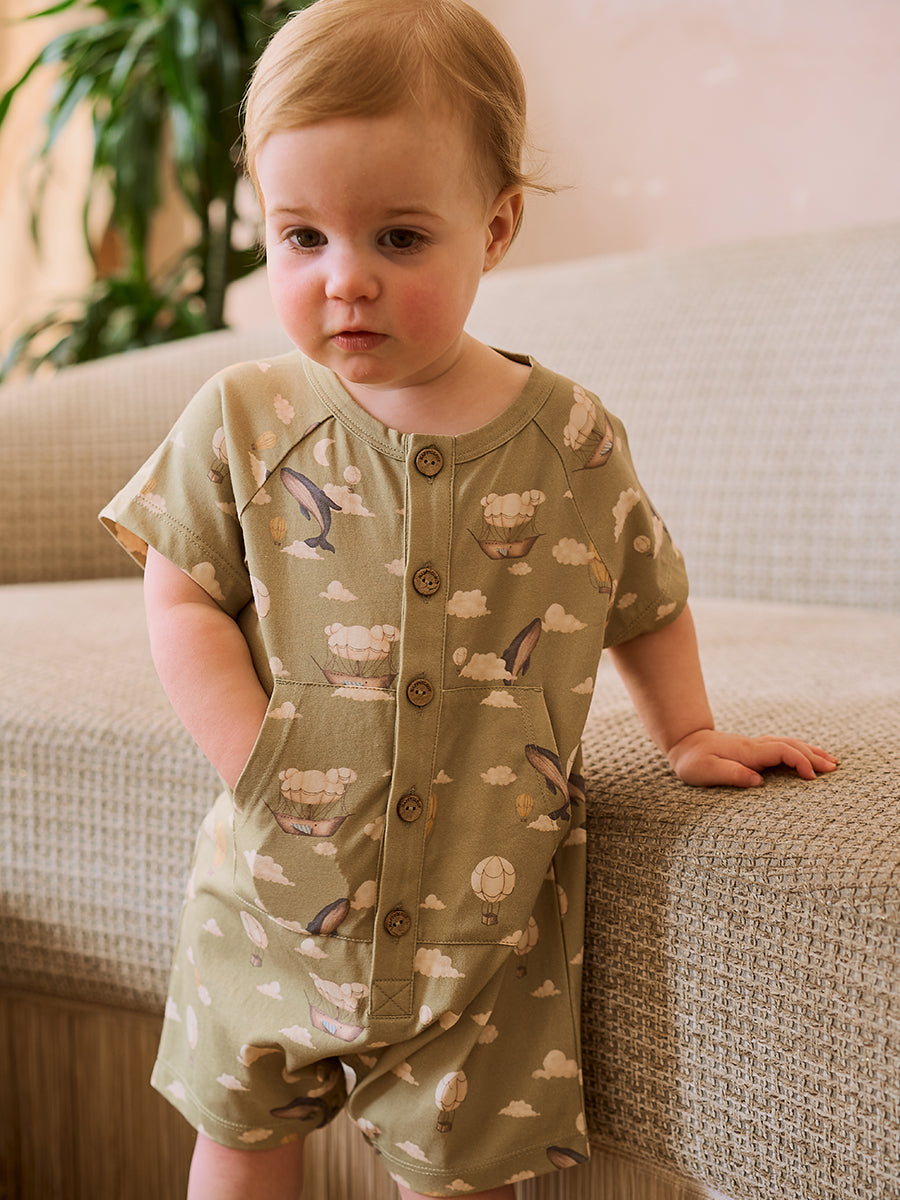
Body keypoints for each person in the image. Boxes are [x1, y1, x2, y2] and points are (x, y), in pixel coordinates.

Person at [100, 1, 837, 1196]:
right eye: (301, 237)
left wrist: (689, 731)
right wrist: (257, 758)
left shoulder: (574, 440)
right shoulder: (243, 420)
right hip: (273, 895)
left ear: (495, 227)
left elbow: (643, 594)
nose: (345, 280)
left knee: (463, 1170)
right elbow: (179, 593)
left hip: (483, 920)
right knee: (241, 1133)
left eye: (398, 238)